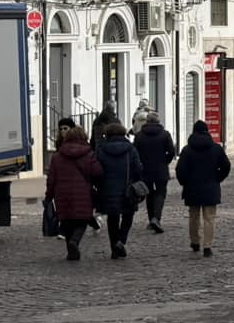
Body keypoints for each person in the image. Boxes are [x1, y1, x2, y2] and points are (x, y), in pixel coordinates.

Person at [44, 124, 103, 263]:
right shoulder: (88, 154)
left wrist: (48, 196)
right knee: (82, 220)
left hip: (62, 193)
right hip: (83, 192)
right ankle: (74, 242)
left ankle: (71, 251)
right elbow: (98, 172)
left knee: (67, 220)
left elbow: (51, 179)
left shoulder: (57, 156)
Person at [175, 119, 232, 257]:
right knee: (209, 218)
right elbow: (226, 166)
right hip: (210, 187)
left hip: (192, 187)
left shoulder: (187, 150)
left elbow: (180, 169)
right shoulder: (216, 148)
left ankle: (195, 242)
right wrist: (217, 178)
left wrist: (184, 182)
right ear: (207, 131)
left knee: (193, 216)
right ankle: (207, 246)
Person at [92, 120, 143, 259]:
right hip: (128, 188)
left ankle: (114, 247)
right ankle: (121, 240)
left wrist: (99, 185)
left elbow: (96, 170)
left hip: (107, 189)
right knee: (128, 214)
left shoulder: (101, 149)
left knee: (112, 218)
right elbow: (138, 169)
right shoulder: (130, 149)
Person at [133, 109, 178, 234]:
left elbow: (134, 153)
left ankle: (151, 219)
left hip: (145, 169)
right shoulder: (165, 134)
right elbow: (171, 152)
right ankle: (156, 218)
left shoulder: (139, 136)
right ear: (158, 121)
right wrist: (165, 161)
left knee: (149, 194)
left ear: (147, 121)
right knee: (160, 193)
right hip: (160, 168)